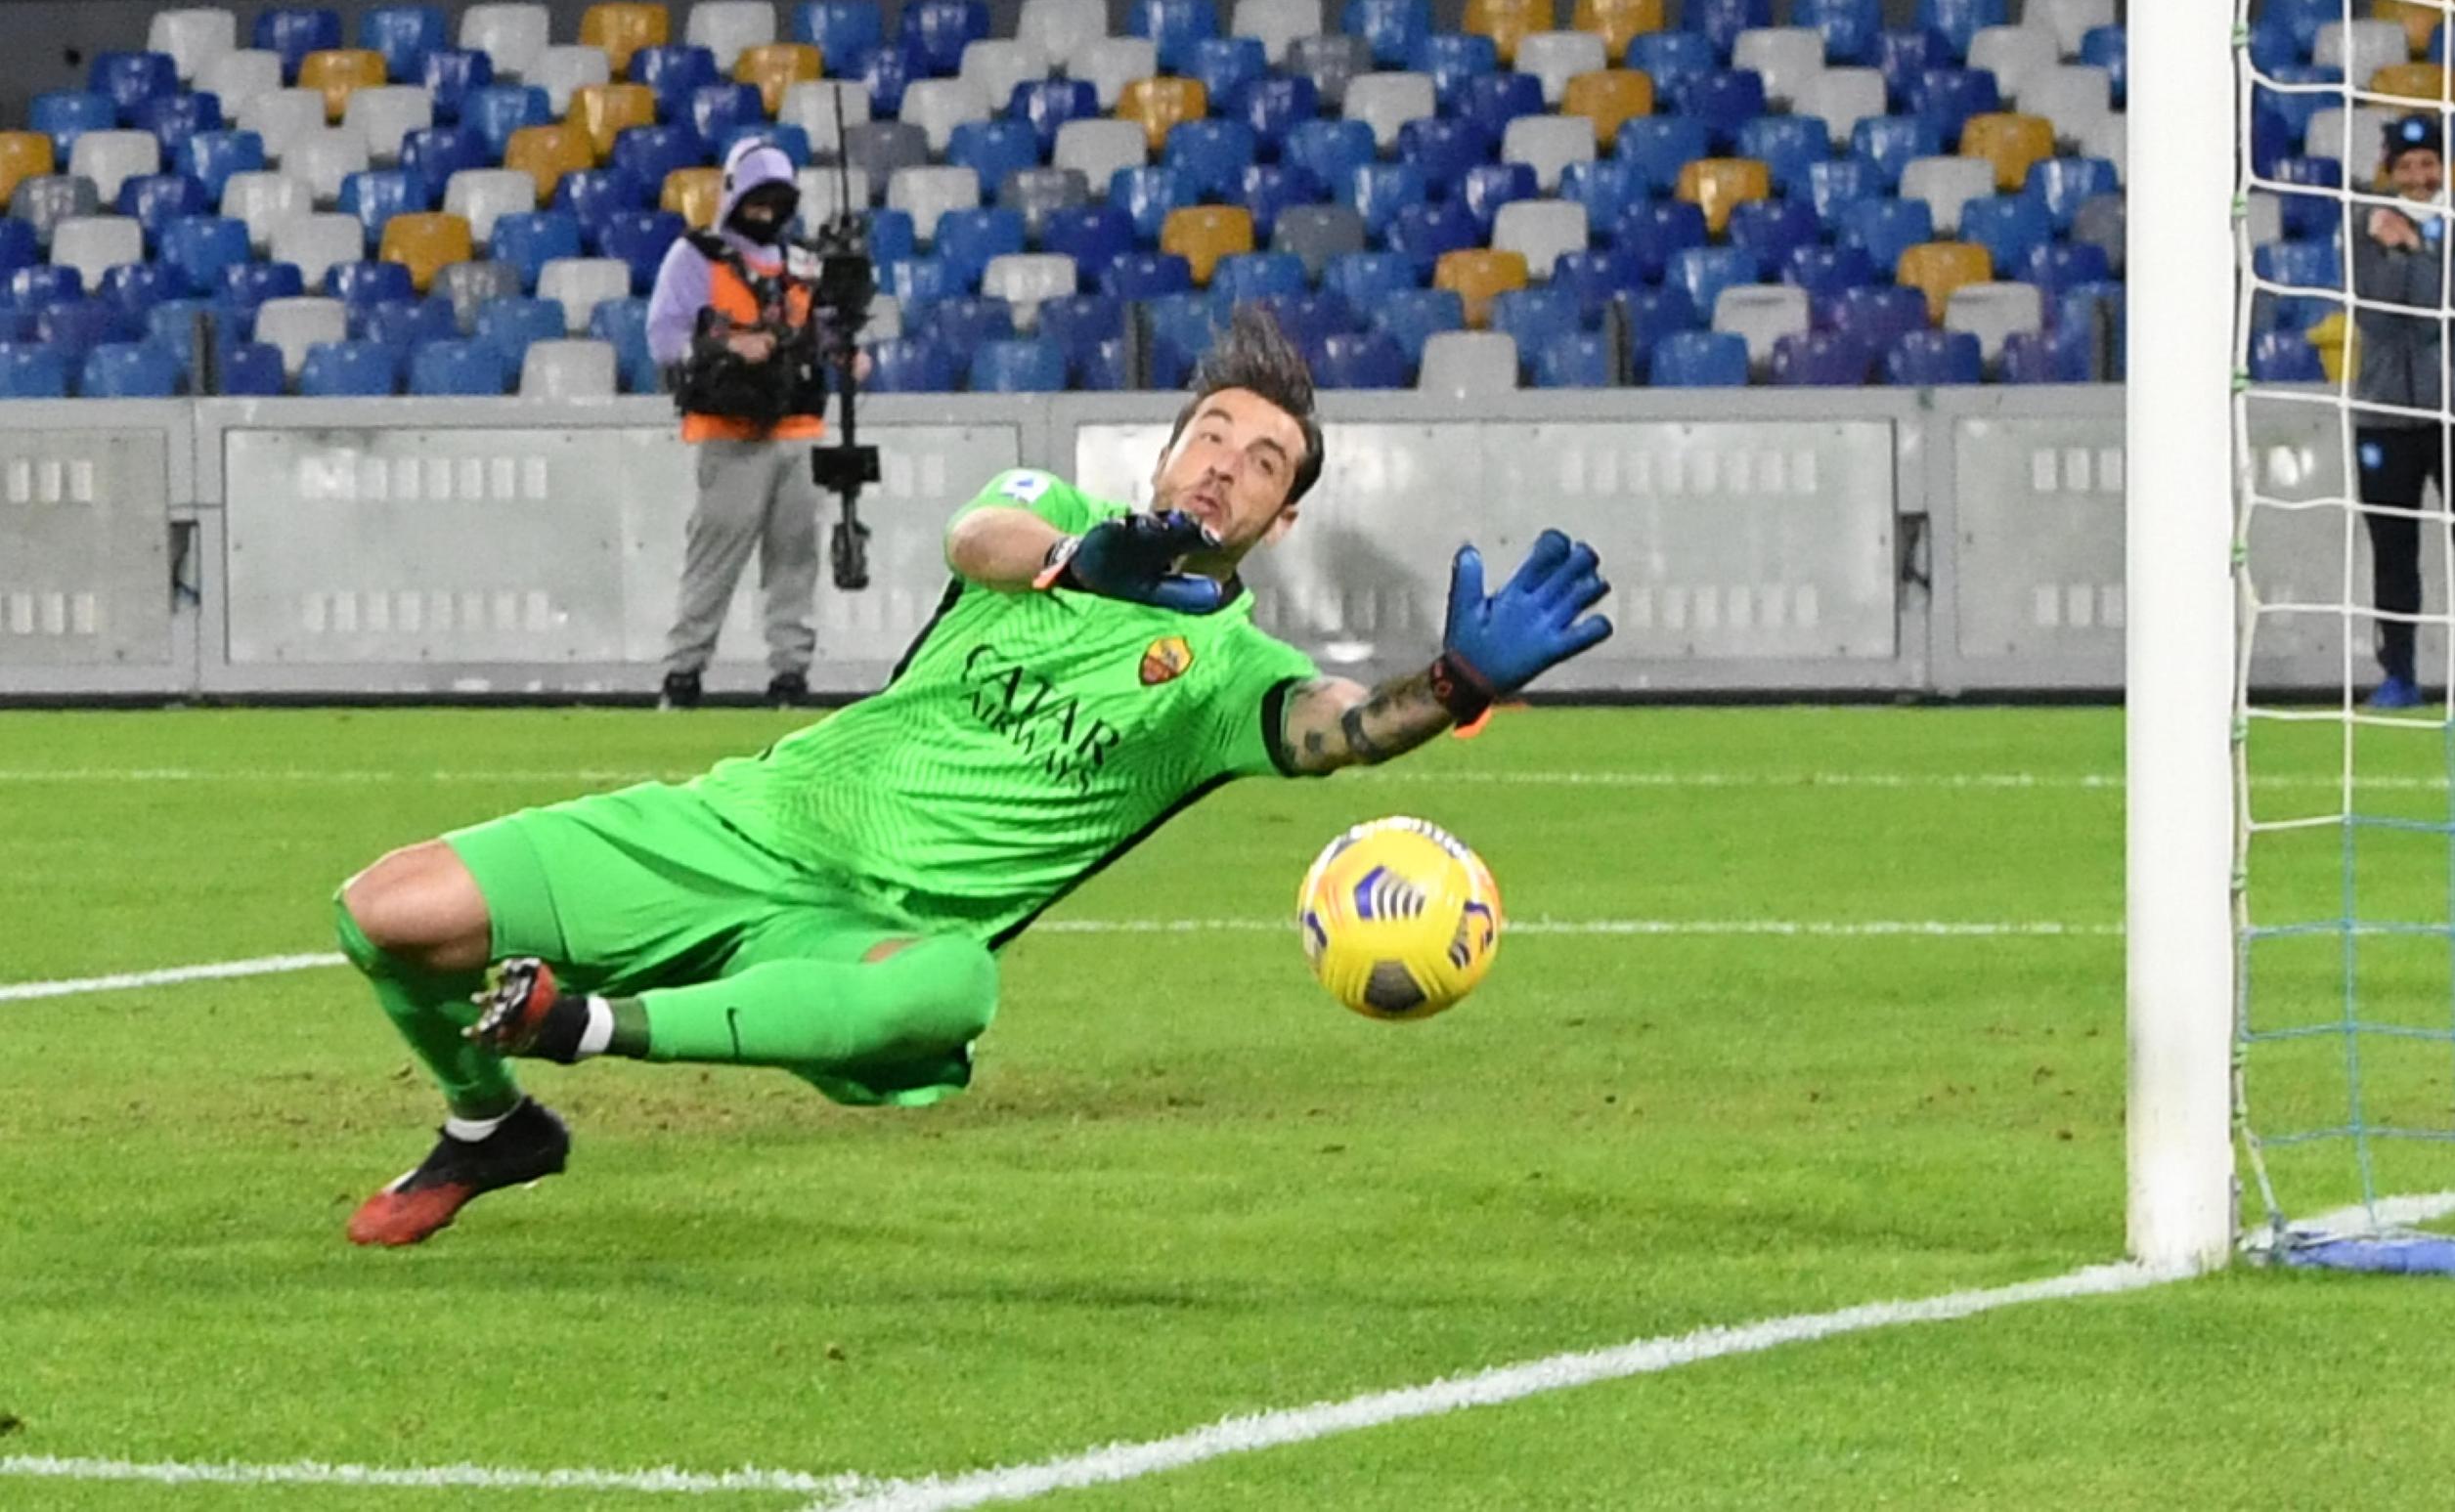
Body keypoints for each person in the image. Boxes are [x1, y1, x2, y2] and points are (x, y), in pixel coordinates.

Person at [332, 308, 1615, 1246]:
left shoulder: (1227, 677)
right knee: (386, 913)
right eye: (1210, 435)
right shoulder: (1044, 509)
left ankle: (589, 1028)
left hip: (880, 941)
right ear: (1165, 456)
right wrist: (1075, 556)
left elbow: (1339, 728)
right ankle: (491, 1124)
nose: (1225, 461)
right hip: (743, 822)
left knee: (956, 986)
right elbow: (977, 536)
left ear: (1279, 523)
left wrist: (1452, 688)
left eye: (1262, 461)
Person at [647, 137, 824, 711]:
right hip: (730, 431)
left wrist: (842, 353)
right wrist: (727, 345)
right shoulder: (696, 257)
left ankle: (791, 673)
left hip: (795, 427)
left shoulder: (801, 264)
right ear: (734, 197)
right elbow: (664, 336)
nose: (765, 213)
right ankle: (683, 672)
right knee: (714, 559)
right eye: (756, 199)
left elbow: (821, 337)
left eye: (775, 202)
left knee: (795, 560)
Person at [2348, 111, 2455, 708]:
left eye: (2428, 164)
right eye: (2407, 166)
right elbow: (2376, 313)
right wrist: (2416, 265)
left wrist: (2413, 246)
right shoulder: (2362, 227)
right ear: (2390, 171)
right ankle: (2399, 676)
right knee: (2392, 551)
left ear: (2444, 168)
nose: (2418, 176)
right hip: (2385, 413)